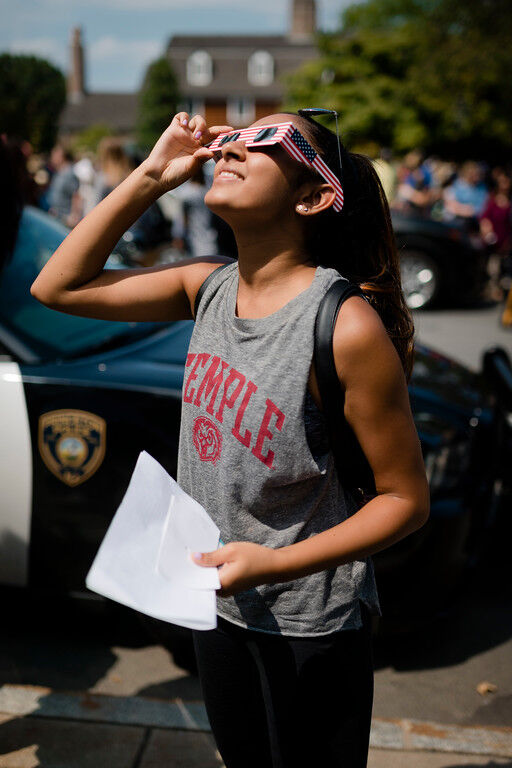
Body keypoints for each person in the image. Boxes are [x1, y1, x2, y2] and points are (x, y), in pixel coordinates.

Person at [30, 110, 430, 767]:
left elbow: (404, 501)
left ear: (313, 195)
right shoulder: (207, 286)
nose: (234, 145)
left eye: (265, 140)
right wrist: (153, 175)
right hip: (217, 607)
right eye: (232, 138)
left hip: (308, 623)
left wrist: (273, 562)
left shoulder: (345, 327)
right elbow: (57, 285)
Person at [47, 144, 82, 227]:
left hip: (64, 219)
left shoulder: (69, 173)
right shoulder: (59, 172)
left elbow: (76, 195)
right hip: (55, 216)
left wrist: (74, 216)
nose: (52, 158)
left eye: (54, 155)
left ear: (62, 157)